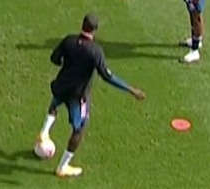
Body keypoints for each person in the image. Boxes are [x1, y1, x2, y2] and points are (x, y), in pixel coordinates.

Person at [36, 14, 145, 178]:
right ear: (95, 30)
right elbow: (107, 76)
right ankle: (62, 167)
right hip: (77, 95)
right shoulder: (95, 51)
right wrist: (130, 89)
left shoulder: (69, 40)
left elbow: (54, 59)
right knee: (79, 129)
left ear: (83, 25)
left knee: (53, 106)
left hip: (61, 85)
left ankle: (44, 132)